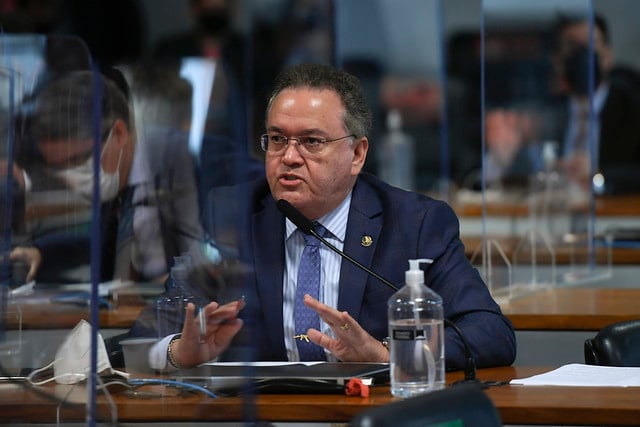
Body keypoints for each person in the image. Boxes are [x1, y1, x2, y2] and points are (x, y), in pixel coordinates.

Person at [140, 63, 516, 372]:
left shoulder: (414, 222)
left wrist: (389, 354)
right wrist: (178, 353)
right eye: (276, 139)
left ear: (357, 154)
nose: (288, 156)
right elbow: (148, 332)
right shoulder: (233, 214)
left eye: (311, 142)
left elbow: (490, 333)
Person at [9, 69, 207, 284]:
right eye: (60, 167)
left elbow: (216, 247)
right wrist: (42, 252)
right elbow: (101, 242)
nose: (73, 176)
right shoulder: (114, 180)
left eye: (77, 160)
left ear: (119, 134)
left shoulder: (174, 156)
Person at [550, 13, 640, 194]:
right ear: (558, 60)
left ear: (608, 56)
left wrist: (598, 176)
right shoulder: (548, 112)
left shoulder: (632, 107)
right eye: (573, 47)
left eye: (591, 45)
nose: (583, 55)